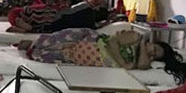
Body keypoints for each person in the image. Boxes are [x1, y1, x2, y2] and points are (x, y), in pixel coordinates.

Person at [20, 28, 170, 70]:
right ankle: (30, 42)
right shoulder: (135, 37)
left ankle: (32, 48)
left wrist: (145, 50)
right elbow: (112, 43)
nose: (152, 53)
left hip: (84, 56)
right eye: (155, 49)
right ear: (153, 42)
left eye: (154, 56)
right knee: (51, 41)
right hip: (88, 41)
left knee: (45, 55)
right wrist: (122, 64)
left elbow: (143, 65)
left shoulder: (144, 58)